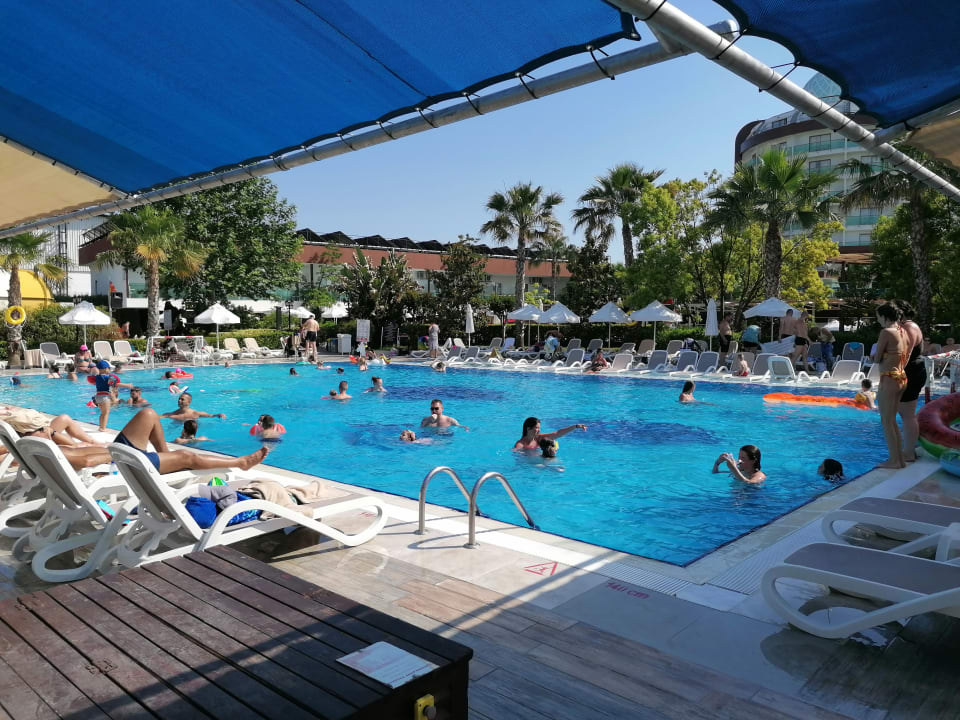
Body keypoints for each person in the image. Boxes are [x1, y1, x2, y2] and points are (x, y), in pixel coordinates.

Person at [112, 408, 267, 473]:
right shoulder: (201, 437)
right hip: (131, 464)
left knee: (149, 413)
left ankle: (167, 458)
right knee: (186, 456)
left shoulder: (180, 438)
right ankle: (241, 462)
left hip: (122, 454)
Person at [874, 302, 909, 469]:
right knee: (892, 421)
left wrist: (879, 356)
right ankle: (899, 459)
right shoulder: (903, 331)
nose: (878, 320)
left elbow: (876, 358)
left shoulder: (886, 332)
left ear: (885, 316)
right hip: (901, 377)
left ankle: (894, 461)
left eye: (878, 317)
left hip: (888, 379)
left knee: (886, 422)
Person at [893, 301, 925, 462]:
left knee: (907, 415)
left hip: (911, 373)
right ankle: (909, 450)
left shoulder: (909, 327)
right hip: (910, 372)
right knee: (905, 414)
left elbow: (906, 353)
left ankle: (909, 453)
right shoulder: (906, 326)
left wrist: (895, 371)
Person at [0, 406, 103, 448]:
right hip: (35, 441)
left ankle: (93, 442)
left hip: (30, 435)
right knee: (81, 445)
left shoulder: (5, 418)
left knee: (64, 418)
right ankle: (93, 444)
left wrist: (8, 412)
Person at [91, 360, 133, 432]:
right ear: (105, 369)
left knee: (102, 413)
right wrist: (127, 385)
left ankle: (101, 427)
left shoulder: (97, 377)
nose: (110, 370)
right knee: (106, 413)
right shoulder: (107, 377)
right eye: (109, 368)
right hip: (105, 397)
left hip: (98, 397)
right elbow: (116, 384)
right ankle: (103, 428)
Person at [513, 417, 585, 449]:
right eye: (536, 428)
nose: (539, 430)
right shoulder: (520, 444)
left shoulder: (539, 438)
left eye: (539, 428)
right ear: (528, 429)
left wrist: (575, 426)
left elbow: (557, 433)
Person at [160, 392, 226, 421]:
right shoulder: (171, 415)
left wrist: (219, 414)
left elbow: (211, 415)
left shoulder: (196, 414)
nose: (179, 400)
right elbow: (159, 417)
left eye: (182, 399)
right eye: (179, 399)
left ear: (189, 402)